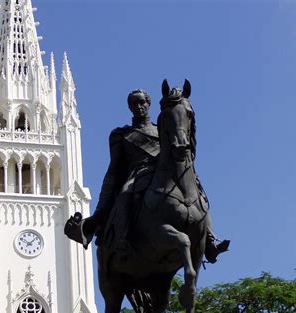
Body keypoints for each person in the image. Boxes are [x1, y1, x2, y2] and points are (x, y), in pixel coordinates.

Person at [66, 89, 228, 263]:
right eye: (134, 103)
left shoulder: (161, 129)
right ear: (129, 107)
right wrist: (101, 208)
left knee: (195, 189)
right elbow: (115, 168)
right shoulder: (121, 135)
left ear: (148, 104)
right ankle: (122, 240)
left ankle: (209, 240)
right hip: (138, 175)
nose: (138, 106)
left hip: (164, 172)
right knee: (124, 196)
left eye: (142, 102)